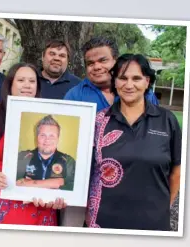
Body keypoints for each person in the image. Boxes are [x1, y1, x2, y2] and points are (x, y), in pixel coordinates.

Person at [85, 54, 181, 230]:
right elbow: (84, 172)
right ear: (114, 82)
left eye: (136, 78)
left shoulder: (167, 120)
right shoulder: (98, 122)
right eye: (122, 78)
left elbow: (177, 170)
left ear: (147, 81)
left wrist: (162, 207)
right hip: (105, 224)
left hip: (153, 224)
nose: (129, 85)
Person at [0, 62, 66, 225]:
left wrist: (54, 195)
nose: (27, 85)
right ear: (10, 84)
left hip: (36, 200)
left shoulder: (47, 118)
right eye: (21, 80)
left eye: (32, 81)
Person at [64, 36, 159, 111]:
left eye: (103, 60)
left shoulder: (142, 93)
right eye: (90, 63)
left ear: (116, 61)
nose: (97, 67)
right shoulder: (75, 95)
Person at [16, 115, 76, 191]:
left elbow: (72, 189)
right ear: (36, 137)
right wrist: (54, 183)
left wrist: (31, 183)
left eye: (52, 136)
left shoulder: (68, 161)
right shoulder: (22, 157)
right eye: (43, 135)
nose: (47, 140)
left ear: (58, 139)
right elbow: (15, 184)